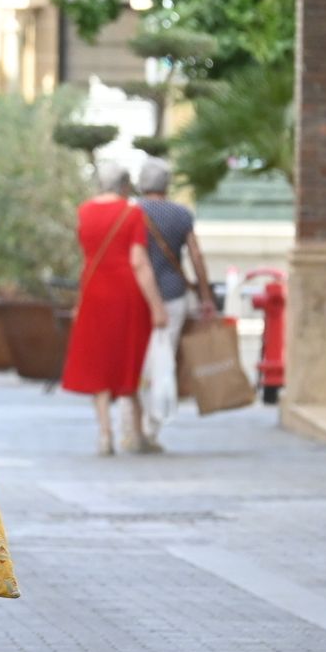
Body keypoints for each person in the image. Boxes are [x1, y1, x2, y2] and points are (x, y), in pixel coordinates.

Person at [61, 161, 169, 455]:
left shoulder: (84, 211)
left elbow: (86, 256)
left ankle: (105, 435)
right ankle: (138, 435)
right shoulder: (132, 213)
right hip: (125, 294)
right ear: (124, 185)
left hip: (94, 291)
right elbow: (138, 261)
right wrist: (157, 305)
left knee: (99, 363)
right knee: (127, 361)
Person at [136, 157, 216, 445]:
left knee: (138, 357)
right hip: (173, 295)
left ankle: (133, 420)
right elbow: (196, 255)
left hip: (138, 297)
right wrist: (206, 295)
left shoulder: (132, 213)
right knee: (163, 355)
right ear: (166, 184)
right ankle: (152, 426)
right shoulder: (181, 214)